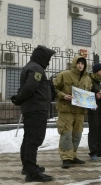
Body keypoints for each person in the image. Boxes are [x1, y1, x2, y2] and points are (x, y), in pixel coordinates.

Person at [10, 46, 55, 182]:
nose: (48, 62)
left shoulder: (33, 67)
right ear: (42, 57)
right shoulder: (36, 68)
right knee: (33, 140)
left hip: (34, 108)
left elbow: (30, 87)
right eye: (48, 59)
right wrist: (19, 99)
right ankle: (31, 172)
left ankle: (28, 167)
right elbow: (30, 87)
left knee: (29, 138)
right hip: (36, 109)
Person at [53, 56, 92, 168]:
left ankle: (73, 156)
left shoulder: (87, 79)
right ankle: (66, 158)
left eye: (82, 64)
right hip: (66, 109)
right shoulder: (64, 75)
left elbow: (87, 94)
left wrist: (91, 104)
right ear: (74, 64)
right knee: (66, 134)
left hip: (80, 111)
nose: (80, 65)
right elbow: (54, 88)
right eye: (78, 63)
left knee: (77, 135)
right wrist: (63, 95)